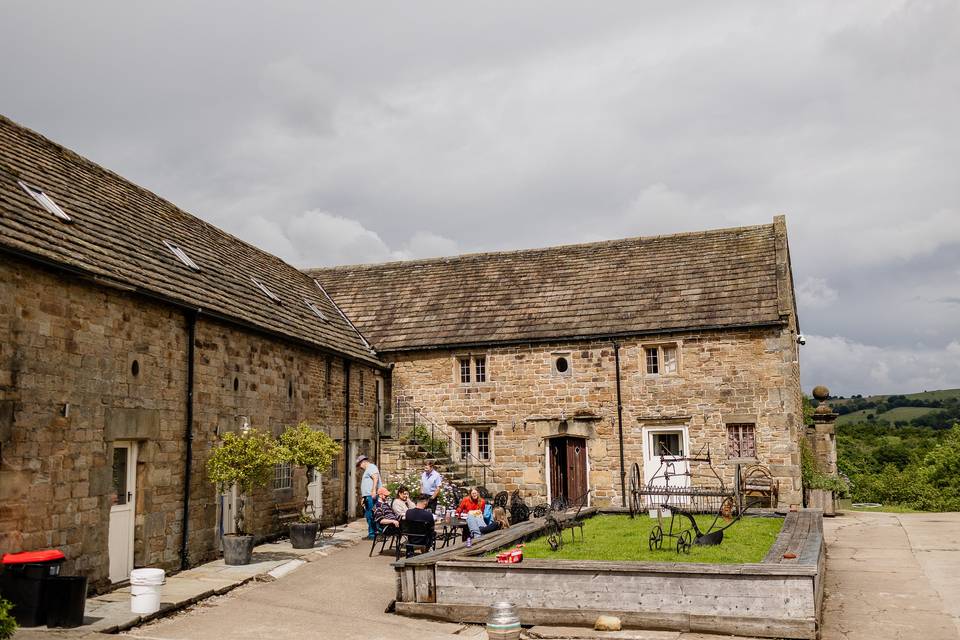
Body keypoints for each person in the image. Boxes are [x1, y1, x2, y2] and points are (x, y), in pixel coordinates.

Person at [357, 455, 381, 539]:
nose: (359, 467)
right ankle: (373, 534)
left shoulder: (371, 467)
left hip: (371, 496)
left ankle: (374, 534)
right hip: (368, 496)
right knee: (369, 515)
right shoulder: (368, 469)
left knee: (371, 515)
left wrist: (373, 490)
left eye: (359, 464)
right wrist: (364, 497)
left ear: (363, 462)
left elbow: (375, 478)